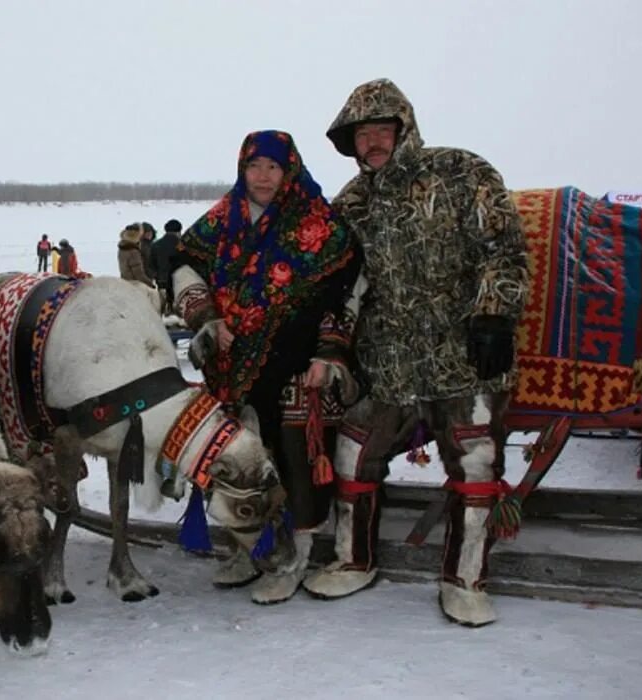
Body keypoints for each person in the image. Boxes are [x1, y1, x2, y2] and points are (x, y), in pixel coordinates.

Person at [302, 79, 529, 627]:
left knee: (476, 463)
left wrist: (495, 312)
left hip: (463, 354)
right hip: (386, 363)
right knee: (354, 453)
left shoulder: (461, 172)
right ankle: (354, 559)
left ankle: (466, 578)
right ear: (349, 143)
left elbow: (504, 247)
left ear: (404, 128)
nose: (373, 141)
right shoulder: (350, 204)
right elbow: (337, 281)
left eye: (383, 129)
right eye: (362, 134)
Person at [170, 129, 361, 603]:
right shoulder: (222, 217)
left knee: (293, 458)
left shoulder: (321, 226)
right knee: (238, 461)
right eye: (254, 166)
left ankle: (294, 557)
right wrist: (205, 318)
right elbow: (183, 263)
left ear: (289, 169)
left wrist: (330, 351)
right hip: (231, 366)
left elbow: (347, 291)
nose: (262, 176)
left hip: (297, 364)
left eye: (272, 167)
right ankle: (248, 546)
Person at [150, 218, 183, 315]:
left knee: (162, 309)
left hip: (161, 281)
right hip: (178, 281)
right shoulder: (181, 245)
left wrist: (157, 275)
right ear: (178, 231)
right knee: (177, 310)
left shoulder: (155, 245)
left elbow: (151, 264)